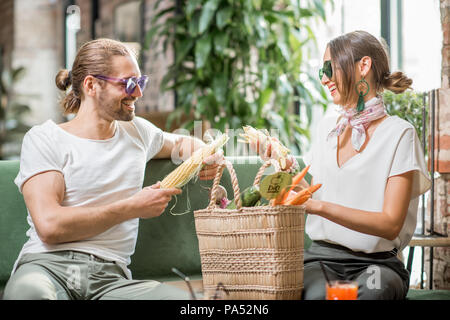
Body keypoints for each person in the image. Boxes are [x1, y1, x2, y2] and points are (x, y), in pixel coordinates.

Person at [3, 38, 221, 300]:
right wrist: (132, 207)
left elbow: (184, 143)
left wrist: (207, 155)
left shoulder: (138, 132)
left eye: (141, 82)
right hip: (47, 268)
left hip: (111, 280)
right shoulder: (45, 139)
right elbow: (50, 226)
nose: (138, 93)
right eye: (129, 83)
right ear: (92, 85)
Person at [262, 30, 431, 300]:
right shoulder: (327, 127)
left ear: (363, 66)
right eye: (321, 71)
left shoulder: (400, 134)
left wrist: (317, 207)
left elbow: (390, 225)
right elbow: (314, 192)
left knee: (373, 291)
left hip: (378, 265)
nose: (324, 78)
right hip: (321, 260)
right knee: (318, 294)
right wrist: (284, 165)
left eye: (330, 68)